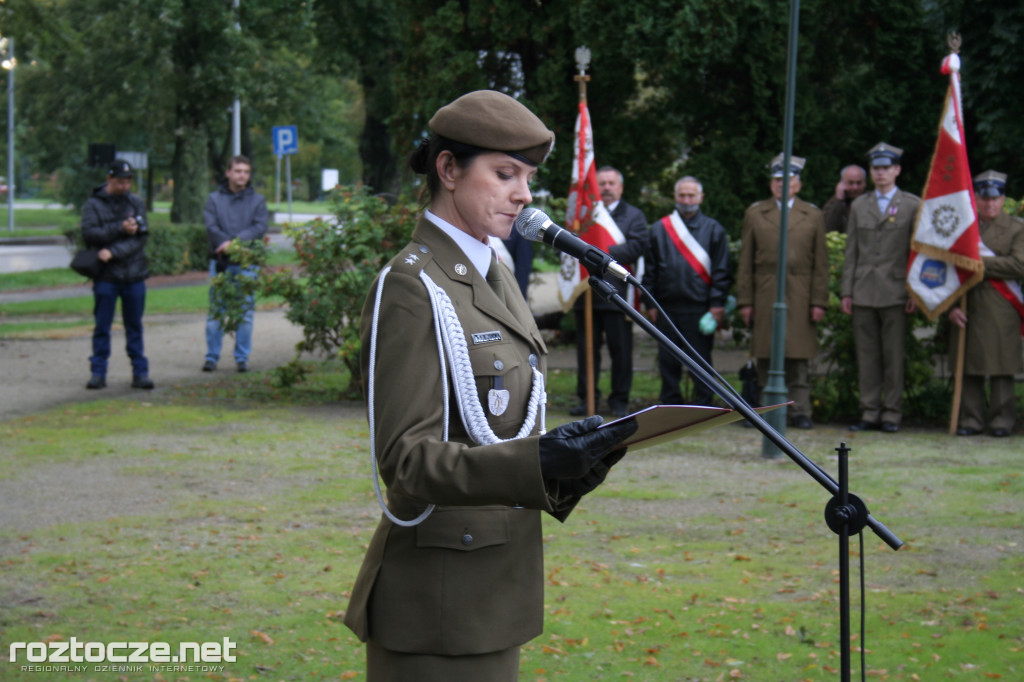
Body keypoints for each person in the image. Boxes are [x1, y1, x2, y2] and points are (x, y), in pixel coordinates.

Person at [342, 90, 638, 681]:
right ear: (448, 170)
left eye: (527, 177)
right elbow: (405, 462)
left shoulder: (493, 272)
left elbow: (503, 425)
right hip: (437, 597)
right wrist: (537, 459)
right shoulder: (412, 285)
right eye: (505, 174)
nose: (524, 194)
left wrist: (563, 469)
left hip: (495, 582)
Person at [736, 154, 828, 428]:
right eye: (777, 180)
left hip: (800, 291)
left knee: (798, 355)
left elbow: (821, 263)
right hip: (765, 291)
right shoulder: (756, 213)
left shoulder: (812, 214)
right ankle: (766, 411)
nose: (781, 185)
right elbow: (746, 261)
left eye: (787, 180)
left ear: (797, 184)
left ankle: (800, 412)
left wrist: (819, 300)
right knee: (766, 352)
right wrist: (745, 301)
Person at [841, 143, 921, 433]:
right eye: (876, 168)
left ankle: (891, 413)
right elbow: (852, 251)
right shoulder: (860, 205)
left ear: (897, 170)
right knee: (867, 356)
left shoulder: (912, 204)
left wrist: (914, 291)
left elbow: (917, 252)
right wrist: (847, 290)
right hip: (863, 290)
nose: (881, 173)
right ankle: (869, 411)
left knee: (893, 356)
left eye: (886, 168)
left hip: (896, 291)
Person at [643, 176, 733, 405]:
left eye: (691, 195)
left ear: (701, 198)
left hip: (700, 308)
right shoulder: (659, 229)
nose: (686, 200)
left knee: (700, 361)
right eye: (682, 195)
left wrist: (717, 304)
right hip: (666, 307)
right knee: (668, 361)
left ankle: (704, 404)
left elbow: (722, 270)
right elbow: (650, 270)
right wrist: (650, 303)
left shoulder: (714, 230)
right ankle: (671, 403)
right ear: (675, 197)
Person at [949, 170, 1024, 437]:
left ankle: (1002, 420)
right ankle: (971, 419)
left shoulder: (1017, 228)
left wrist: (977, 262)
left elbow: (1018, 265)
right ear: (976, 199)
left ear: (1003, 199)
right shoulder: (966, 228)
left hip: (1002, 305)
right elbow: (951, 270)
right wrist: (951, 307)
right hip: (969, 304)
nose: (989, 203)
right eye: (984, 198)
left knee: (1002, 365)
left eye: (995, 198)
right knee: (970, 364)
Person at [569, 166, 649, 417]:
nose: (606, 188)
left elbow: (637, 246)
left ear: (620, 187)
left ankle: (619, 401)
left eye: (611, 183)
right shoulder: (583, 215)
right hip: (587, 292)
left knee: (621, 351)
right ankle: (587, 398)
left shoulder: (634, 216)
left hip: (617, 294)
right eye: (601, 183)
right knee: (586, 351)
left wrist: (603, 251)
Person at [80, 159, 153, 390]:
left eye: (128, 182)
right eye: (120, 182)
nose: (125, 186)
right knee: (102, 326)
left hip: (134, 274)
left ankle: (140, 372)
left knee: (135, 326)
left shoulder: (135, 202)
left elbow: (140, 237)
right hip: (106, 277)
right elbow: (90, 234)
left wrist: (112, 251)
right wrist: (120, 228)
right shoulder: (93, 204)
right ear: (109, 179)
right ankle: (98, 372)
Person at [202, 155, 269, 373]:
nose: (242, 175)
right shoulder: (214, 199)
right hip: (220, 263)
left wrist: (235, 243)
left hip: (246, 264)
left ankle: (242, 357)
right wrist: (225, 243)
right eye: (238, 171)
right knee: (216, 312)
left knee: (245, 311)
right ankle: (212, 356)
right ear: (228, 173)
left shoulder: (257, 201)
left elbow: (259, 228)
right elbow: (210, 226)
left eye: (246, 172)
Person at [822, 164, 867, 234]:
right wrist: (838, 199)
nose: (855, 187)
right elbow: (826, 226)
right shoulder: (834, 203)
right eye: (850, 183)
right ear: (841, 183)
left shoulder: (872, 201)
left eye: (859, 183)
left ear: (865, 183)